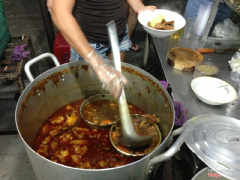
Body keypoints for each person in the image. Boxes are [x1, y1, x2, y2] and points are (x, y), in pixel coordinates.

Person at [47, 0, 156, 100]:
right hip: (89, 44)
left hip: (120, 34)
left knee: (114, 88)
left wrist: (139, 7)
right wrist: (98, 64)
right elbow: (60, 14)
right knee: (86, 97)